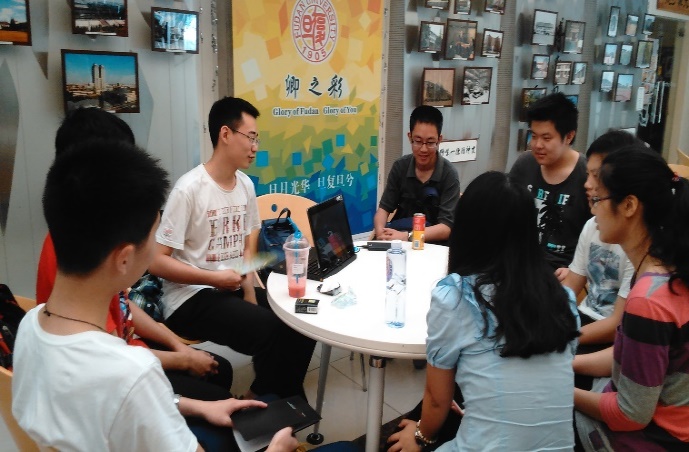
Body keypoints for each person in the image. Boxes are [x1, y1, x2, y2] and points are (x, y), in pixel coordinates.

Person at [12, 139, 299, 451]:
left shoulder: (29, 326)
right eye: (153, 237)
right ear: (124, 258)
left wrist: (197, 406)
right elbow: (132, 396)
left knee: (220, 399)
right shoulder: (132, 372)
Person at [35, 107, 234, 402]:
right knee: (215, 393)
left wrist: (177, 345)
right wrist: (183, 360)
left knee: (220, 371)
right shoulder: (80, 257)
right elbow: (112, 363)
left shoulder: (88, 238)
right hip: (117, 376)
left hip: (125, 354)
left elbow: (123, 306)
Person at [387, 171, 580, 451]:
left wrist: (420, 437)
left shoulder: (455, 297)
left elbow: (438, 400)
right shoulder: (564, 298)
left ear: (467, 230)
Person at [149, 96, 315, 400]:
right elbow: (157, 263)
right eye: (250, 137)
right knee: (270, 330)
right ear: (225, 134)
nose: (255, 147)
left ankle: (260, 395)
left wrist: (249, 289)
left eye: (257, 139)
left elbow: (247, 244)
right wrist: (214, 278)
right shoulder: (189, 189)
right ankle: (282, 406)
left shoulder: (245, 185)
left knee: (302, 322)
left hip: (231, 288)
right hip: (190, 297)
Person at [573, 146, 689, 450]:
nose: (593, 210)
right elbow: (630, 357)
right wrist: (567, 364)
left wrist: (556, 389)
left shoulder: (648, 300)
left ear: (629, 205)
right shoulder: (669, 270)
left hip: (650, 441)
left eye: (598, 199)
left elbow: (630, 414)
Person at [558, 132, 639, 382]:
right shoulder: (593, 225)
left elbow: (617, 324)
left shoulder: (639, 248)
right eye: (588, 174)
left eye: (597, 176)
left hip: (608, 336)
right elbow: (571, 286)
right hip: (584, 322)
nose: (587, 184)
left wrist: (563, 338)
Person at [510, 92, 590, 270]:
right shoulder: (524, 164)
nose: (537, 145)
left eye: (546, 138)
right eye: (533, 136)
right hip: (519, 263)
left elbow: (598, 237)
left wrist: (576, 271)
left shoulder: (587, 175)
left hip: (563, 270)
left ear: (569, 136)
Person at [374, 105, 460, 245]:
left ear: (439, 140)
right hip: (400, 243)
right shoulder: (400, 167)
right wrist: (380, 233)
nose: (423, 149)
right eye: (418, 141)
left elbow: (446, 228)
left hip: (434, 244)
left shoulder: (449, 174)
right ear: (410, 137)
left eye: (430, 142)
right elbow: (383, 209)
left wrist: (407, 236)